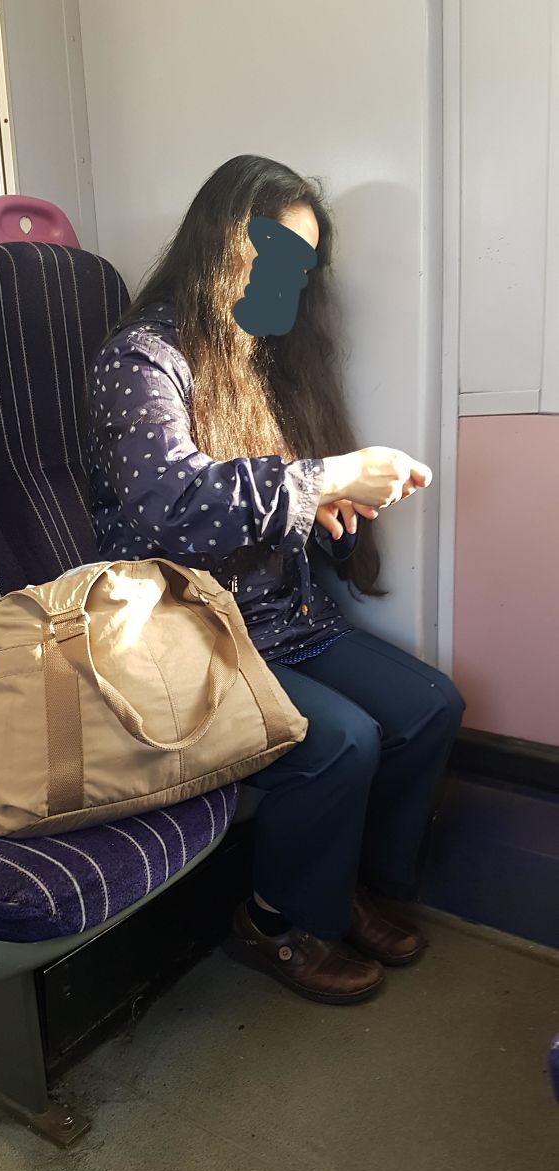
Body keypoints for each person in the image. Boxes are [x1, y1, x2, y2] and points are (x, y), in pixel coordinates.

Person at [87, 154, 465, 1005]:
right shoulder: (142, 359)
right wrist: (321, 481)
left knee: (430, 707)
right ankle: (276, 921)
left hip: (281, 618)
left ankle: (346, 886)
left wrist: (319, 515)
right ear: (218, 243)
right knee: (341, 742)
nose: (286, 278)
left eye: (301, 262)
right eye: (270, 253)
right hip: (191, 635)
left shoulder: (257, 363)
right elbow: (166, 506)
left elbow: (261, 494)